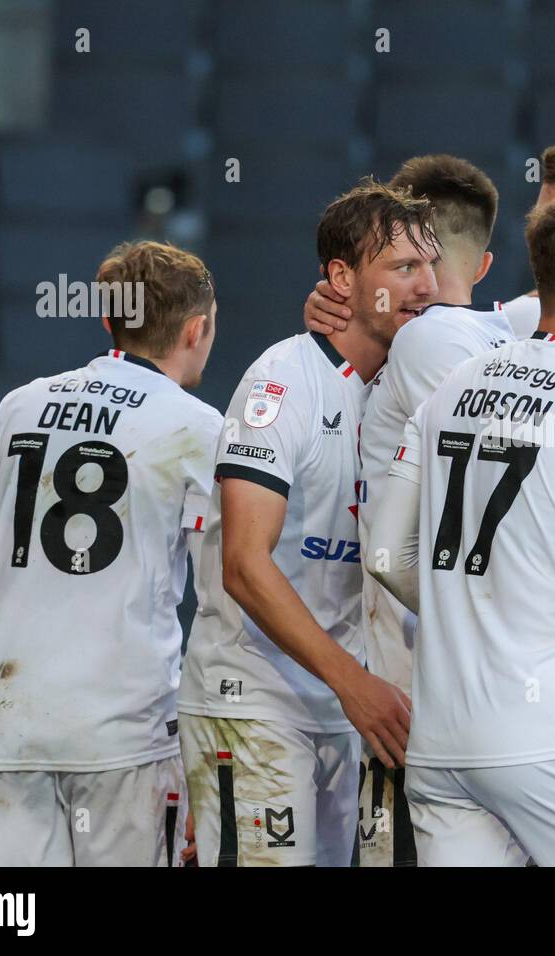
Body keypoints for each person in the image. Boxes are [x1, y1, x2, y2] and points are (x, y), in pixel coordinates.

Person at [368, 194, 555, 867]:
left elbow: (386, 555)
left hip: (443, 742)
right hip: (549, 734)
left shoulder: (450, 386)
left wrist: (471, 615)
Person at [0, 240, 222, 866]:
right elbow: (229, 595)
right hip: (126, 735)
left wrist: (39, 601)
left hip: (7, 732)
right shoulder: (199, 428)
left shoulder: (20, 405)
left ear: (108, 320)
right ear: (197, 329)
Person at [176, 180, 437, 866]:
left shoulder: (403, 395)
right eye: (404, 267)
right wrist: (356, 683)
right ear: (342, 279)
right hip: (253, 702)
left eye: (431, 266)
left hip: (338, 714)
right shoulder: (281, 382)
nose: (427, 286)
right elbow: (243, 565)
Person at [353, 154, 507, 867]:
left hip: (418, 686)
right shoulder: (514, 342)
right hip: (487, 690)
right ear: (484, 266)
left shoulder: (432, 338)